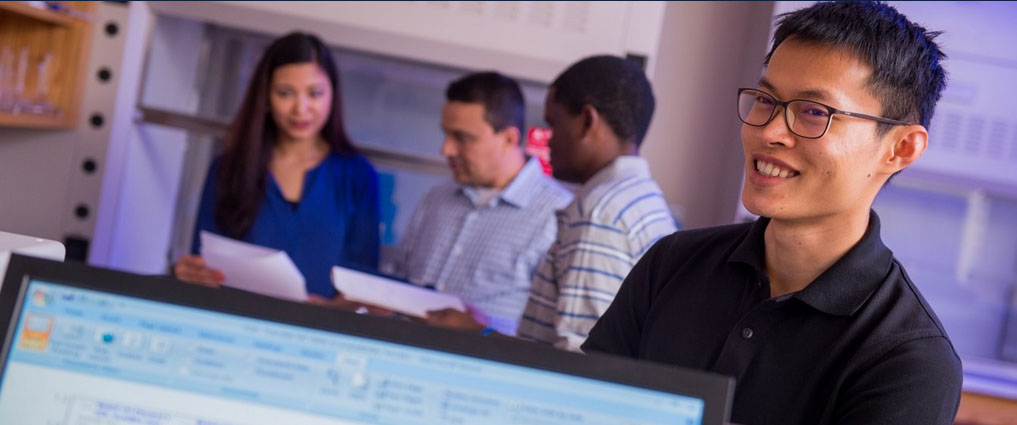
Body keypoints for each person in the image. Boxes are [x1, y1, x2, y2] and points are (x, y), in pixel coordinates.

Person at [582, 2, 962, 424]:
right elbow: (583, 408)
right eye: (766, 100)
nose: (769, 132)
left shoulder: (908, 358)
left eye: (815, 112)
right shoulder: (671, 263)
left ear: (900, 148)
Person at [428, 56, 678, 351]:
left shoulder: (598, 213)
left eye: (553, 123)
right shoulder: (642, 198)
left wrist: (479, 334)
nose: (547, 140)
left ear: (587, 121)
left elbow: (579, 360)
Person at [174, 32, 380, 299]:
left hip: (321, 334)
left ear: (332, 95)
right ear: (266, 98)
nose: (300, 109)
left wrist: (327, 310)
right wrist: (190, 273)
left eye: (314, 94)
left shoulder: (358, 177)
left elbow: (364, 287)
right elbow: (204, 266)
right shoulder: (228, 169)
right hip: (235, 328)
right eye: (285, 94)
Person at [390, 72, 572, 335]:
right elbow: (400, 281)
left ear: (508, 139)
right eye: (446, 134)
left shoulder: (558, 217)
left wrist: (482, 330)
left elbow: (553, 335)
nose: (446, 150)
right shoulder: (436, 199)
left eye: (462, 137)